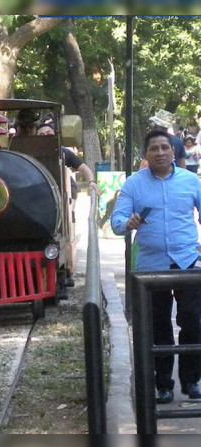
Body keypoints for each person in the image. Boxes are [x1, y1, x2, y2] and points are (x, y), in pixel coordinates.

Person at [111, 129, 201, 404]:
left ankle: (192, 381)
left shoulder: (191, 181)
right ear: (145, 154)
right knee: (158, 326)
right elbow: (116, 222)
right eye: (154, 149)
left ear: (173, 152)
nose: (160, 153)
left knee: (192, 322)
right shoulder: (133, 185)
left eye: (165, 147)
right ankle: (163, 384)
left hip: (187, 262)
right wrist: (128, 223)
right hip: (151, 268)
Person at [36, 122, 102, 197]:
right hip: (37, 192)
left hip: (59, 195)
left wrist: (91, 181)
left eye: (49, 133)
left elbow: (84, 168)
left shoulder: (63, 152)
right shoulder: (31, 154)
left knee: (72, 186)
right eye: (42, 135)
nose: (46, 137)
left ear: (55, 135)